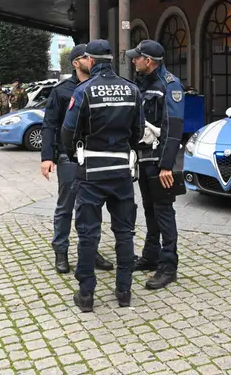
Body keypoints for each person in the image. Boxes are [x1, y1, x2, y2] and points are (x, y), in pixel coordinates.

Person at [61, 39, 144, 312]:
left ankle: (86, 295)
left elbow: (68, 132)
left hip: (91, 173)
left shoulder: (84, 91)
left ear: (91, 61)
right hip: (121, 171)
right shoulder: (133, 90)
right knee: (124, 233)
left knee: (88, 234)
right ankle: (124, 291)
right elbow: (139, 133)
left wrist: (76, 154)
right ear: (111, 59)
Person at [41, 44, 114, 274]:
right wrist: (46, 157)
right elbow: (50, 125)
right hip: (69, 157)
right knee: (66, 206)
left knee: (93, 207)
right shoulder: (62, 90)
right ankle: (60, 250)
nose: (90, 59)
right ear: (76, 63)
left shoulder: (100, 87)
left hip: (95, 156)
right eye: (85, 57)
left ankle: (91, 251)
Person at [127, 39, 185, 289]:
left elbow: (174, 127)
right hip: (144, 160)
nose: (133, 60)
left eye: (137, 57)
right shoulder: (144, 84)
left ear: (148, 61)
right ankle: (151, 257)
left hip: (159, 163)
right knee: (150, 209)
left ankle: (168, 266)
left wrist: (166, 165)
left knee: (163, 212)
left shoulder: (169, 85)